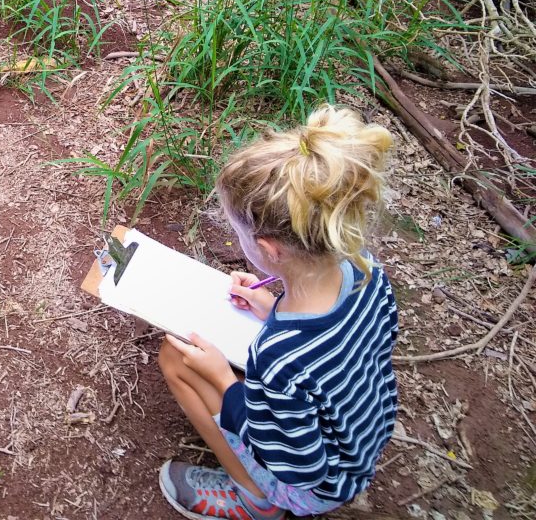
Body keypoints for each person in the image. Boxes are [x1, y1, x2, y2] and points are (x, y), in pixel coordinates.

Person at [157, 105, 399, 520]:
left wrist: (221, 378)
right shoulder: (366, 270)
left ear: (269, 249)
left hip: (315, 486)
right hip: (360, 441)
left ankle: (255, 501)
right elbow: (354, 348)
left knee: (174, 358)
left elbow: (297, 466)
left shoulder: (279, 356)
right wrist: (270, 305)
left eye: (238, 232)